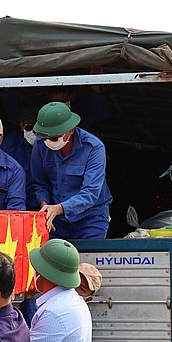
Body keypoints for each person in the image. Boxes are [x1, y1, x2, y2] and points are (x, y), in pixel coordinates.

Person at [30, 101, 112, 239]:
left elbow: (91, 192)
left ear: (71, 130)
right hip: (56, 221)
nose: (49, 141)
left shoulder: (94, 147)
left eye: (54, 138)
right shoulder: (39, 145)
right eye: (45, 137)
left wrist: (58, 209)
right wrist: (45, 207)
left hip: (90, 218)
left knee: (88, 259)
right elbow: (39, 183)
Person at [19, 262, 102, 327]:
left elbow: (36, 326)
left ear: (88, 299)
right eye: (75, 282)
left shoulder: (67, 312)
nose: (74, 289)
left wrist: (29, 298)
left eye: (82, 289)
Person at [1, 105, 41, 211]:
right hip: (14, 204)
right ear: (22, 126)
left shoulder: (53, 142)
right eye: (31, 126)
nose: (35, 131)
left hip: (46, 205)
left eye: (39, 127)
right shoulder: (9, 145)